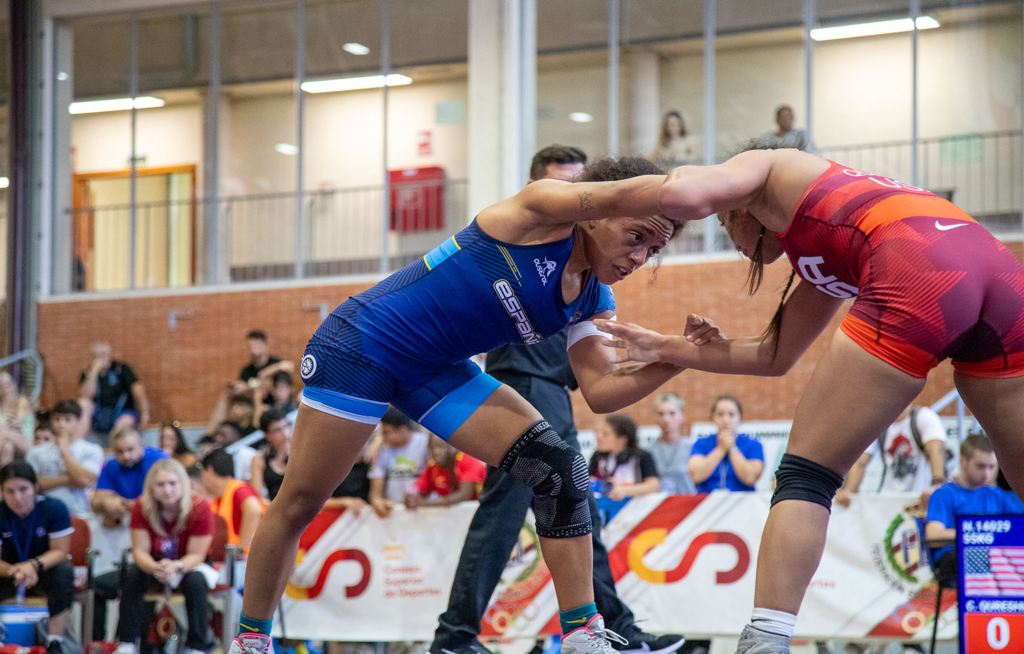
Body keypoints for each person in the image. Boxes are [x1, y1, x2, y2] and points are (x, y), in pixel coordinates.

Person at [229, 153, 721, 654]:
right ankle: (250, 641)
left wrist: (677, 355)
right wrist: (726, 186)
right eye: (637, 237)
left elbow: (602, 391)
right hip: (363, 345)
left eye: (654, 250)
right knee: (298, 503)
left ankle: (582, 634)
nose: (639, 259)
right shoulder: (536, 214)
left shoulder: (593, 296)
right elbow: (620, 193)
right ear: (596, 211)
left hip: (436, 370)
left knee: (556, 466)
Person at [596, 146, 1024, 654]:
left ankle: (765, 643)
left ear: (734, 204)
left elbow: (682, 191)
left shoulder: (766, 165)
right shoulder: (827, 241)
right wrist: (665, 346)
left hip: (919, 263)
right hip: (999, 270)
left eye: (728, 231)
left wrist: (562, 205)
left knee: (806, 475)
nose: (736, 247)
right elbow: (776, 355)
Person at [432, 147, 688, 654]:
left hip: (554, 389)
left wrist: (677, 354)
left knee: (579, 514)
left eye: (587, 190)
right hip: (520, 382)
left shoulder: (591, 284)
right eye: (573, 193)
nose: (582, 203)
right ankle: (455, 634)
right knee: (504, 514)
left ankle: (613, 625)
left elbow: (603, 388)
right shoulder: (525, 235)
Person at [118, 459, 215, 654]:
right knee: (132, 575)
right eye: (160, 484)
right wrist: (155, 567)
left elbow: (197, 554)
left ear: (183, 484)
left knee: (195, 582)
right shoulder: (141, 507)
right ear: (151, 487)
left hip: (190, 564)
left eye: (172, 483)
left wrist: (177, 566)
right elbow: (139, 552)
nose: (167, 490)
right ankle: (127, 643)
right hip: (155, 564)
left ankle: (197, 646)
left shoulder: (200, 507)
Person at [0, 462, 76, 654]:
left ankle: (55, 641)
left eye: (23, 489)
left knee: (65, 571)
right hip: (10, 572)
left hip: (44, 570)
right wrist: (16, 570)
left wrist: (33, 565)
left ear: (35, 487)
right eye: (9, 491)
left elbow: (60, 551)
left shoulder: (54, 508)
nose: (17, 497)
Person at [925, 434, 1024, 577]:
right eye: (980, 466)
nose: (987, 473)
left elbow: (1019, 527)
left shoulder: (997, 494)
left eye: (992, 467)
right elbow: (933, 536)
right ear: (962, 461)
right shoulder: (944, 494)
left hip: (994, 557)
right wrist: (979, 536)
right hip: (954, 559)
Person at [834, 405, 947, 508]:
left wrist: (937, 485)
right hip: (888, 499)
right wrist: (849, 491)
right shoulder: (878, 423)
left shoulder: (923, 417)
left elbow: (936, 451)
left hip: (920, 497)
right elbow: (860, 462)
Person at [26, 399, 103, 517]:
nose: (61, 424)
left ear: (78, 421)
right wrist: (68, 479)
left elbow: (83, 481)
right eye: (57, 419)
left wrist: (64, 451)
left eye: (67, 419)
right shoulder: (36, 451)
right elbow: (33, 486)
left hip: (78, 513)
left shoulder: (92, 450)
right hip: (42, 514)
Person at [91, 429, 168, 526]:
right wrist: (106, 503)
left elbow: (169, 494)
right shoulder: (111, 466)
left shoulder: (158, 460)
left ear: (141, 445)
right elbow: (95, 502)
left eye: (130, 449)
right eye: (120, 451)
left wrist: (136, 505)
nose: (126, 456)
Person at [688, 395, 764, 493]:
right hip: (706, 502)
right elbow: (696, 475)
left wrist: (732, 448)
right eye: (720, 414)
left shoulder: (753, 444)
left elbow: (750, 477)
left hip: (743, 502)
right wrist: (721, 449)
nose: (725, 420)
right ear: (713, 418)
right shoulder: (701, 443)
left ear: (740, 418)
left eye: (731, 415)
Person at [79, 342, 150, 442]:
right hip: (99, 415)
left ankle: (116, 451)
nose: (100, 359)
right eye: (96, 356)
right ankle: (80, 445)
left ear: (109, 355)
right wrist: (94, 373)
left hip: (121, 413)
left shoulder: (121, 369)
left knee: (125, 422)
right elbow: (87, 395)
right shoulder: (87, 373)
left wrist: (144, 414)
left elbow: (138, 389)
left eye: (103, 355)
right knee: (83, 403)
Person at [368, 408, 430, 518]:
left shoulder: (426, 445)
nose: (383, 437)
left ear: (401, 430)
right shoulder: (382, 449)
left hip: (425, 510)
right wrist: (377, 501)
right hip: (395, 511)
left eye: (386, 432)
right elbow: (375, 490)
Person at [201, 449, 263, 551]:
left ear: (209, 471)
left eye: (202, 474)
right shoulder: (221, 496)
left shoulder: (239, 490)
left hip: (244, 561)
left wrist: (242, 548)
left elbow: (254, 509)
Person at [589, 415, 660, 500]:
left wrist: (626, 490)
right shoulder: (598, 456)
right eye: (598, 432)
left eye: (605, 434)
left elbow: (654, 486)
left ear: (622, 439)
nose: (598, 437)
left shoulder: (642, 456)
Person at [406, 435, 487, 508]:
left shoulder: (468, 459)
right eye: (432, 448)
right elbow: (418, 492)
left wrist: (428, 503)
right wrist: (411, 499)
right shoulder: (432, 467)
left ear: (453, 446)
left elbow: (465, 495)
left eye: (440, 446)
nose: (435, 452)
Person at [646, 394, 696, 495]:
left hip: (687, 504)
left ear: (682, 416)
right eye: (661, 414)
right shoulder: (648, 451)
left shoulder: (692, 447)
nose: (666, 419)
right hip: (658, 506)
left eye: (672, 413)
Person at [249, 408, 292, 502]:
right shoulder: (259, 459)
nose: (285, 434)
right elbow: (258, 497)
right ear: (266, 435)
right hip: (277, 509)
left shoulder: (300, 450)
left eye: (286, 427)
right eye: (277, 430)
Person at [0, 371, 34, 463]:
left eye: (8, 385)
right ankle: (5, 477)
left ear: (13, 386)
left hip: (23, 439)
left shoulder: (21, 402)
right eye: (2, 387)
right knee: (8, 447)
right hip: (7, 440)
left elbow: (16, 424)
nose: (6, 389)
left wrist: (4, 428)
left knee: (2, 432)